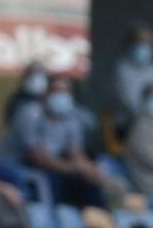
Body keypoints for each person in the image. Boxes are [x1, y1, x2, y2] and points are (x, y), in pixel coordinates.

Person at [11, 75, 108, 208]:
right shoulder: (30, 113)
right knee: (54, 179)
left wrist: (87, 168)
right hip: (26, 165)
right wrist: (71, 168)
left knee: (91, 182)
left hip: (58, 164)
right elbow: (35, 156)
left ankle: (96, 220)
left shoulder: (70, 116)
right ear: (45, 93)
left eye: (65, 92)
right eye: (56, 91)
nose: (61, 96)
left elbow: (75, 150)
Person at [113, 24, 153, 125]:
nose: (143, 45)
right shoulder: (122, 69)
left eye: (147, 42)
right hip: (131, 123)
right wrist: (150, 117)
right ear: (129, 44)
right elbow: (129, 102)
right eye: (139, 41)